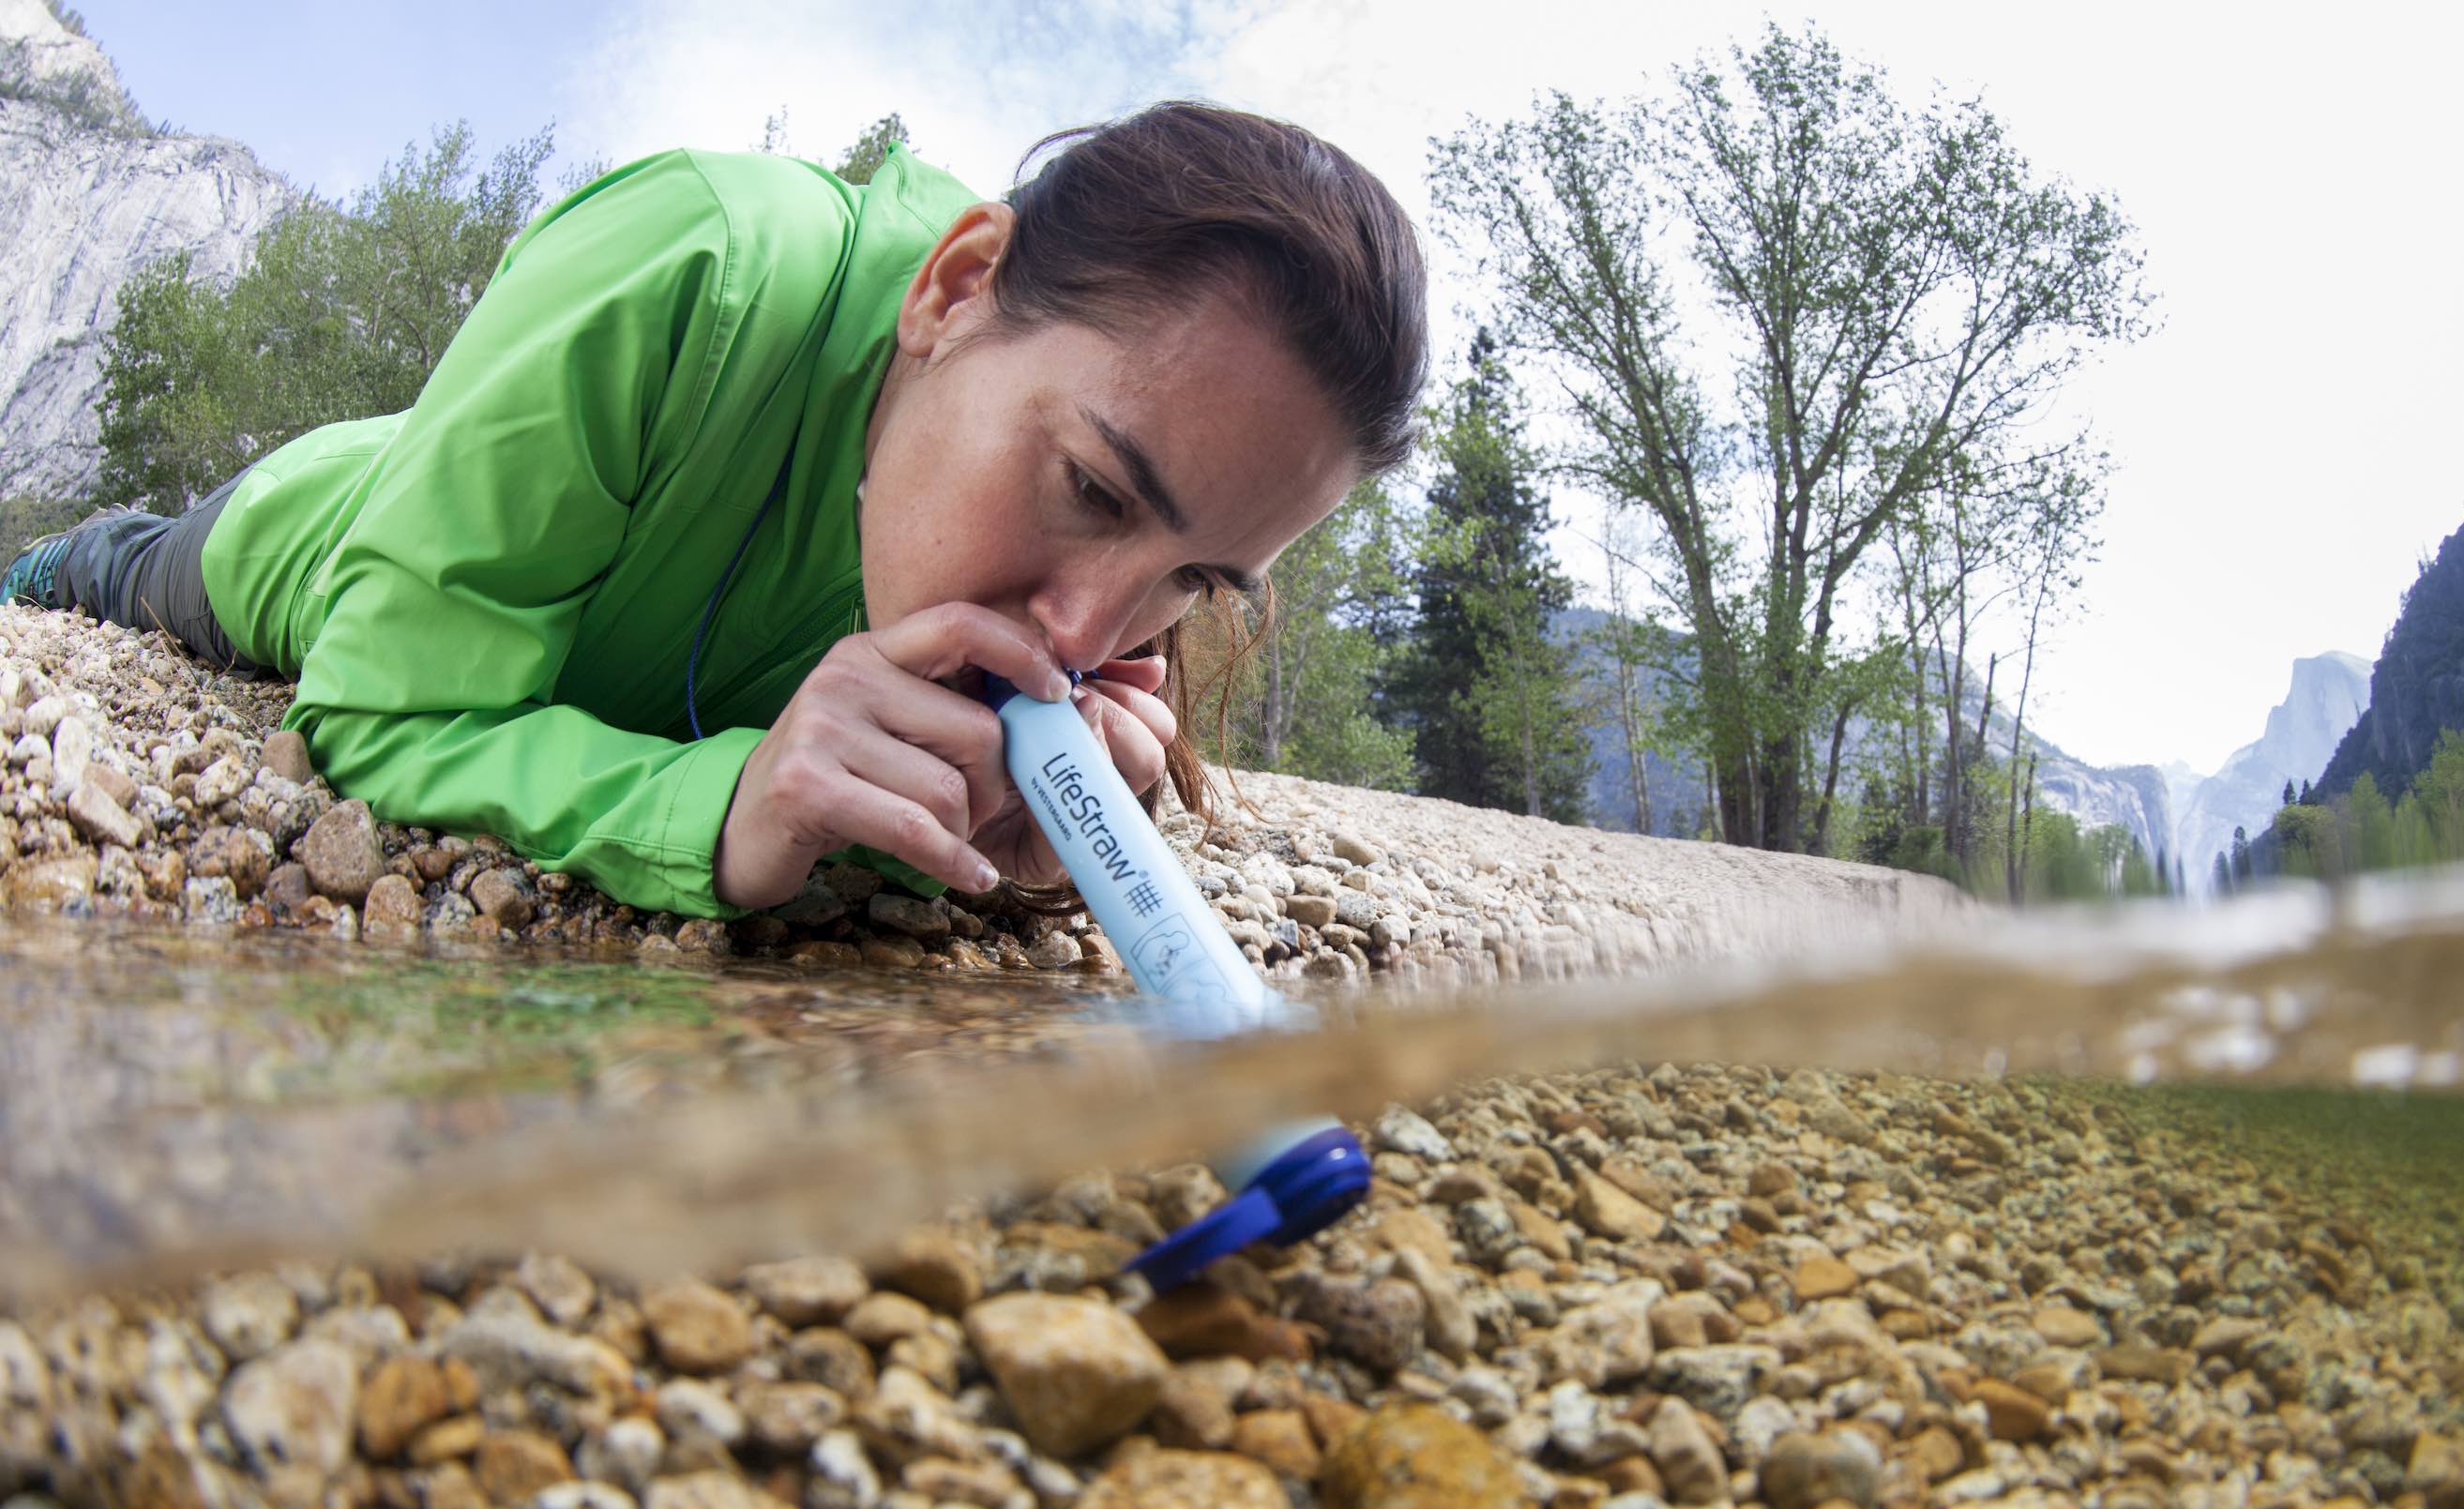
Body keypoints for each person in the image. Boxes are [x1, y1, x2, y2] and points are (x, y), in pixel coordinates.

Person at [0, 103, 1427, 918]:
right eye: (1095, 487)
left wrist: (1008, 846)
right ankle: (74, 547)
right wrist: (722, 805)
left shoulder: (1077, 626)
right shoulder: (693, 256)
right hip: (308, 532)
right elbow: (378, 716)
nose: (1080, 634)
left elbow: (853, 799)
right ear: (953, 288)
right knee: (130, 572)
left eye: (1194, 581)